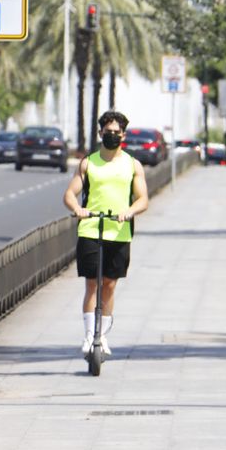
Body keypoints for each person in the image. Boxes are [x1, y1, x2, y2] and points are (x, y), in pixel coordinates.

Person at [63, 109, 150, 357]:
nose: (112, 135)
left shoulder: (132, 165)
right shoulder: (88, 163)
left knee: (110, 285)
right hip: (91, 229)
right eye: (107, 132)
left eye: (116, 132)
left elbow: (143, 199)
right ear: (100, 133)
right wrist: (78, 209)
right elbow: (70, 194)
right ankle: (90, 336)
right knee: (92, 283)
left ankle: (102, 335)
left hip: (119, 232)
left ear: (123, 134)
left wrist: (130, 211)